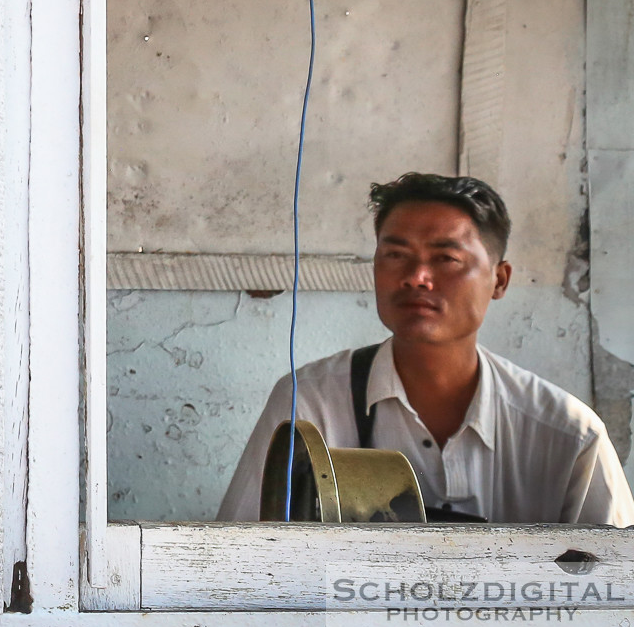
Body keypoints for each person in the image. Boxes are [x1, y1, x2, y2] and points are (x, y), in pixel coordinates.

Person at [218, 172, 634, 525]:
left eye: (446, 258)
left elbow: (615, 593)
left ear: (500, 280)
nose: (416, 277)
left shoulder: (567, 435)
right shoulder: (309, 402)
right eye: (396, 254)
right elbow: (241, 564)